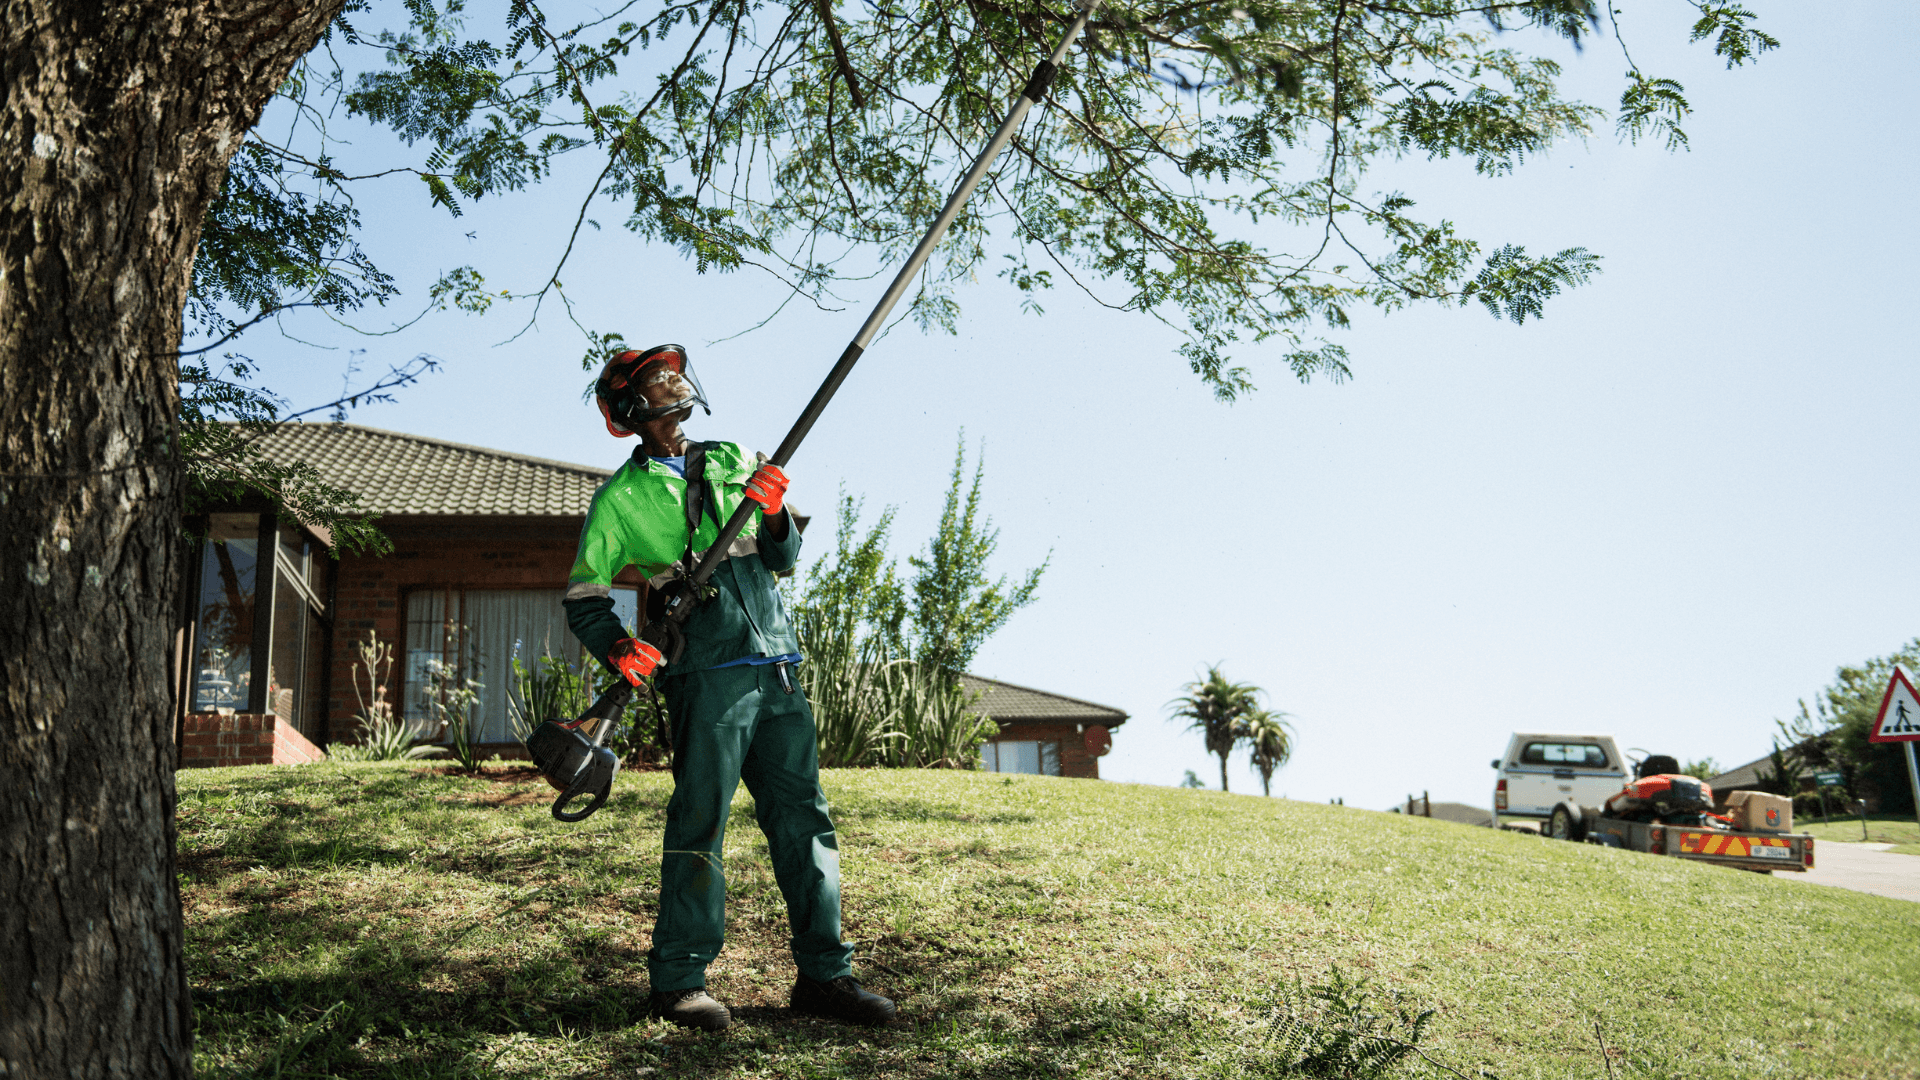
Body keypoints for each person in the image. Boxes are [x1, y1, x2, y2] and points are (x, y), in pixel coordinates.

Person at [561, 344, 895, 1033]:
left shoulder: (734, 457)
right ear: (628, 413)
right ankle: (679, 982)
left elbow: (783, 559)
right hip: (704, 678)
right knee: (700, 824)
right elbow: (585, 598)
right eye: (655, 389)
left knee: (805, 822)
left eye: (674, 384)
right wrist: (620, 647)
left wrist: (774, 514)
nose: (671, 395)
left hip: (777, 667)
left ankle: (826, 977)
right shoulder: (619, 501)